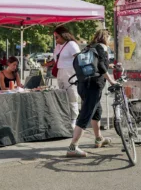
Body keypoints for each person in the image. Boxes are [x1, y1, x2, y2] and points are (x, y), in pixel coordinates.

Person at [67, 29, 117, 158]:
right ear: (106, 38)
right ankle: (73, 147)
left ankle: (99, 138)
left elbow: (96, 65)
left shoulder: (89, 47)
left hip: (83, 84)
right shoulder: (102, 47)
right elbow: (101, 65)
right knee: (85, 115)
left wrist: (109, 66)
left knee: (96, 112)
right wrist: (111, 80)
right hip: (93, 85)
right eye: (109, 38)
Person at [44, 26, 81, 128]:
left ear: (63, 36)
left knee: (72, 96)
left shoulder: (72, 45)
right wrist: (49, 64)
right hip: (61, 72)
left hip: (70, 72)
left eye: (57, 37)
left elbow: (78, 59)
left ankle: (74, 119)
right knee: (62, 96)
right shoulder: (58, 46)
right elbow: (57, 59)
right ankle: (66, 118)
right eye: (55, 37)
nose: (56, 40)